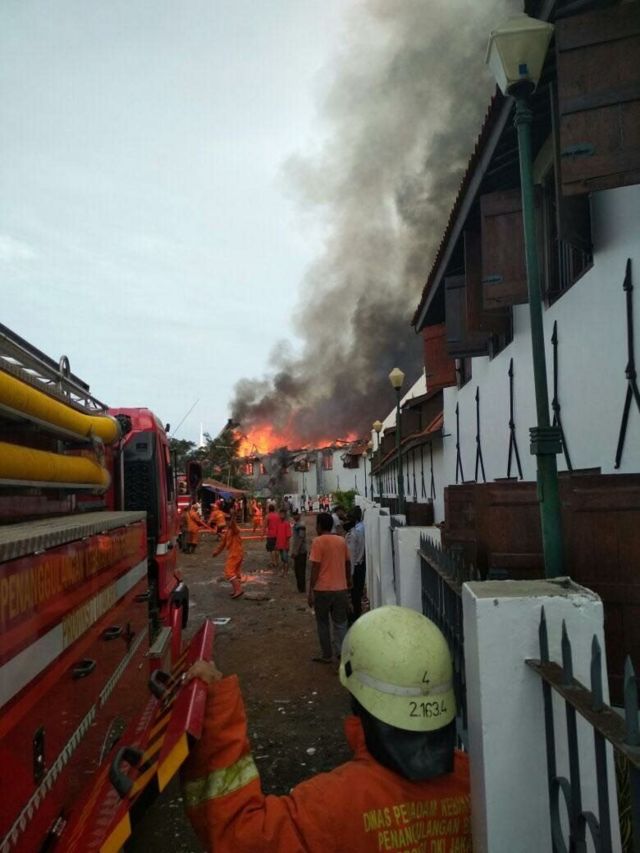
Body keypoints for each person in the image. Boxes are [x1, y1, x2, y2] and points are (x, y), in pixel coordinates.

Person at [182, 605, 471, 852]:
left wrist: (218, 714)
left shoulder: (333, 807)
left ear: (356, 699)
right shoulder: (477, 785)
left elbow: (239, 837)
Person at [308, 511, 350, 664]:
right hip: (340, 588)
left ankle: (327, 654)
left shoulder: (318, 542)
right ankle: (342, 653)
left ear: (319, 525)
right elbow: (347, 563)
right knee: (340, 623)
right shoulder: (341, 541)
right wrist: (348, 582)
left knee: (323, 623)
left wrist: (310, 591)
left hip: (322, 589)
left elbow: (315, 568)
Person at [212, 514, 244, 599]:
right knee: (236, 573)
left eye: (229, 521)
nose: (228, 522)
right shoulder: (228, 531)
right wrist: (216, 552)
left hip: (235, 554)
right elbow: (222, 544)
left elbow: (233, 526)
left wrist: (233, 520)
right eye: (227, 521)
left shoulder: (235, 529)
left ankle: (238, 590)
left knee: (229, 572)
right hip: (236, 554)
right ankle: (236, 590)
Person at [345, 506, 366, 623]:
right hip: (361, 565)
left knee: (354, 596)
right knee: (357, 594)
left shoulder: (353, 533)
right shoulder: (362, 528)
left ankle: (354, 620)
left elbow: (351, 556)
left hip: (355, 568)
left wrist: (350, 575)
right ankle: (357, 617)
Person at [290, 509, 307, 593]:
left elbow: (300, 538)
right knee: (297, 570)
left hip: (301, 551)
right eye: (293, 515)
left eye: (295, 515)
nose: (294, 516)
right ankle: (300, 587)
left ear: (299, 515)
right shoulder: (297, 524)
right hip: (298, 550)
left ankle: (302, 588)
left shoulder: (301, 525)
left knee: (300, 570)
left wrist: (295, 551)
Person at [275, 507, 292, 577]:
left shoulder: (287, 524)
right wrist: (277, 544)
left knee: (285, 560)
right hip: (279, 544)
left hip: (285, 545)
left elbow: (288, 536)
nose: (281, 515)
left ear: (285, 515)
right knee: (282, 559)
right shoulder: (278, 524)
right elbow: (277, 535)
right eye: (280, 514)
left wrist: (286, 544)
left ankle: (285, 573)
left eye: (283, 514)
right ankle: (283, 572)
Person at [263, 503, 280, 569]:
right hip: (278, 534)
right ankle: (277, 561)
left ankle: (273, 562)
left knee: (272, 549)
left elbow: (264, 526)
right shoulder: (277, 516)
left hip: (270, 534)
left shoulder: (267, 516)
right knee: (277, 549)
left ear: (269, 509)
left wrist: (262, 535)